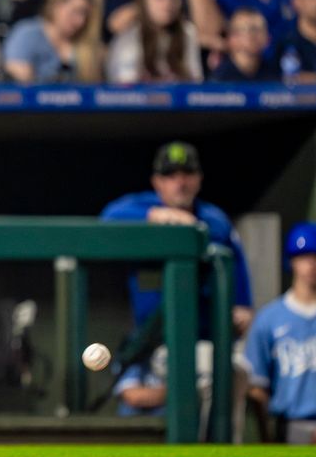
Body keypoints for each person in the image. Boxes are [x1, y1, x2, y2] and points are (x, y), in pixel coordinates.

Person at [100, 141, 253, 335]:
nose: (180, 183)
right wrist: (155, 215)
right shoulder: (141, 207)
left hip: (204, 331)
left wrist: (242, 303)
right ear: (157, 182)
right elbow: (109, 218)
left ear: (199, 179)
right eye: (171, 175)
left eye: (187, 174)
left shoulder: (214, 219)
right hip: (152, 335)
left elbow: (236, 259)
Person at [245, 222, 316, 444]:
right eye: (304, 256)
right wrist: (268, 431)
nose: (311, 264)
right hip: (287, 425)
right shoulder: (269, 318)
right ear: (292, 261)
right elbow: (256, 385)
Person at [106, 0, 203, 84]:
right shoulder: (129, 34)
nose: (167, 3)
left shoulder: (188, 32)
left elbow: (196, 82)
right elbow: (124, 86)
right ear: (144, 0)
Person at [3, 0, 103, 83]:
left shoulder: (86, 45)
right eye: (75, 11)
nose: (80, 21)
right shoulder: (27, 34)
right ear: (56, 6)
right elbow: (19, 81)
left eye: (85, 15)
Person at [210, 9, 281, 82]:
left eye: (260, 30)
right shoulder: (220, 79)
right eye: (246, 30)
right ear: (231, 36)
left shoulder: (273, 75)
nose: (252, 36)